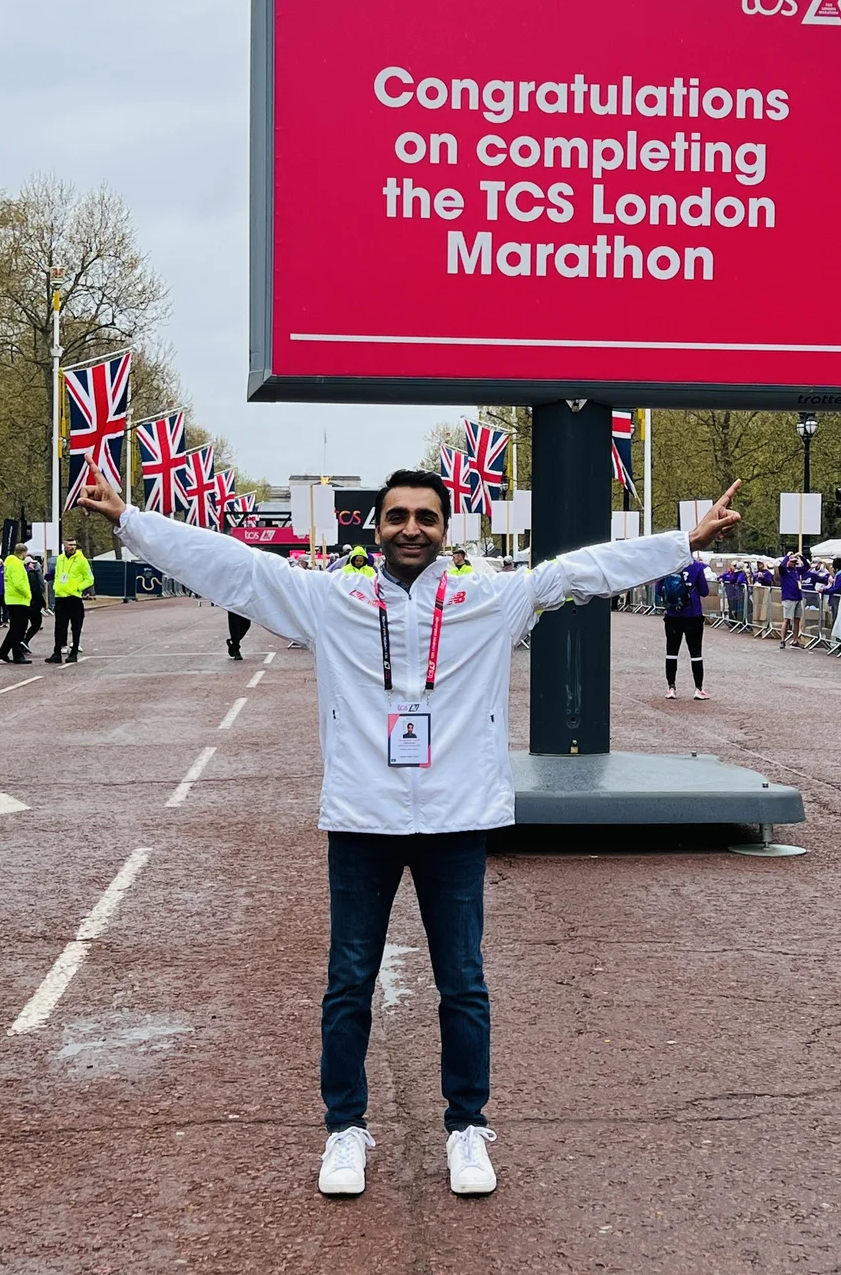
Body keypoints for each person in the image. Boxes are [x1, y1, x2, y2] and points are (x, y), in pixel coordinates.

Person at [78, 452, 742, 1199]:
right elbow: (235, 568)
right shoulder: (332, 601)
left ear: (445, 528)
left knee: (462, 983)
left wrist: (681, 544)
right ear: (377, 525)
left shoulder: (488, 600)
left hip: (457, 819)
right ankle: (345, 1131)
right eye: (398, 516)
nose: (412, 529)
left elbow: (578, 571)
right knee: (348, 983)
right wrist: (133, 521)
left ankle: (467, 1127)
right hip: (364, 817)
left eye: (426, 517)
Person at [655, 555, 710, 699]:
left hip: (673, 615)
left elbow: (659, 590)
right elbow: (704, 591)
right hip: (693, 614)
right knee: (696, 653)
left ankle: (671, 687)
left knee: (671, 652)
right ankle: (699, 689)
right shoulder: (697, 567)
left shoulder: (667, 565)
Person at [45, 537, 94, 664]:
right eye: (70, 545)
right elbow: (57, 575)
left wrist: (78, 588)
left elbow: (89, 578)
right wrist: (56, 586)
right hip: (60, 596)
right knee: (59, 626)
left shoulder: (81, 560)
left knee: (75, 626)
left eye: (74, 545)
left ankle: (73, 653)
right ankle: (57, 652)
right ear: (64, 546)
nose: (72, 547)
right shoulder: (60, 559)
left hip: (74, 597)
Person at [0, 541, 32, 665]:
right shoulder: (17, 564)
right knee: (19, 629)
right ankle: (17, 654)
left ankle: (4, 651)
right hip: (19, 599)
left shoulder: (9, 563)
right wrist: (28, 594)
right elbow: (19, 583)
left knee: (15, 628)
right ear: (23, 553)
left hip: (12, 599)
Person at [777, 550, 807, 649]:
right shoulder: (784, 571)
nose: (793, 563)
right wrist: (787, 556)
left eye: (795, 562)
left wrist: (801, 557)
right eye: (792, 561)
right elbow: (780, 566)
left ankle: (795, 640)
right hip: (788, 598)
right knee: (787, 619)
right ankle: (782, 640)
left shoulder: (797, 570)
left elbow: (807, 567)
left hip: (798, 597)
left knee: (797, 620)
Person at [24, 555, 47, 649]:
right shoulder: (32, 574)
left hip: (24, 602)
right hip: (33, 603)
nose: (33, 565)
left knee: (23, 624)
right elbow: (36, 590)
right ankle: (25, 641)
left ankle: (22, 642)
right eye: (31, 563)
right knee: (36, 623)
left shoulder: (23, 574)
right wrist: (42, 602)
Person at [751, 560, 774, 635]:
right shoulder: (756, 573)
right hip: (757, 594)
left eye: (760, 563)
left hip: (765, 593)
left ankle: (764, 630)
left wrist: (763, 578)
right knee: (756, 611)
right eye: (758, 564)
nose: (759, 565)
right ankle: (757, 629)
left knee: (764, 611)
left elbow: (769, 582)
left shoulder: (767, 573)